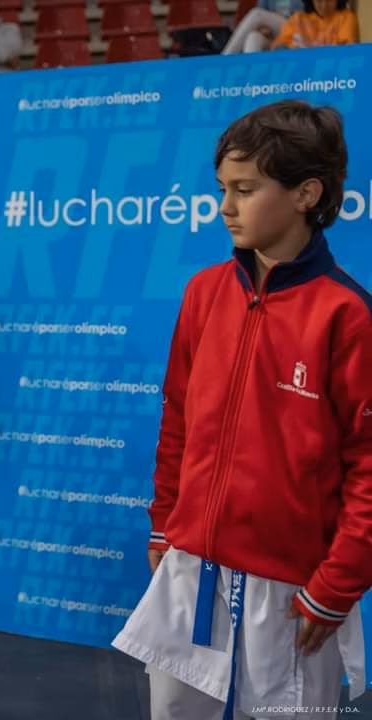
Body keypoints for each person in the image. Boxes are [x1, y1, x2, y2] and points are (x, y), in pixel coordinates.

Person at [113, 100, 371, 720]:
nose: (224, 207)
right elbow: (177, 417)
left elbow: (368, 468)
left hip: (293, 589)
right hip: (190, 569)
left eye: (245, 190)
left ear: (307, 193)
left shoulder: (347, 316)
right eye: (222, 189)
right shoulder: (204, 293)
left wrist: (335, 586)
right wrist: (166, 519)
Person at [222, 0, 301, 54]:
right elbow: (261, 17)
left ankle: (225, 57)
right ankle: (251, 75)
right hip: (274, 34)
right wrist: (265, 29)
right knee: (253, 37)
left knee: (257, 14)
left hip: (296, 29)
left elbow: (306, 16)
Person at [272, 0, 358, 49]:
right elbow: (278, 45)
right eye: (319, 1)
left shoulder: (346, 17)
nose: (324, 6)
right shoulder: (297, 18)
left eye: (329, 0)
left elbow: (348, 49)